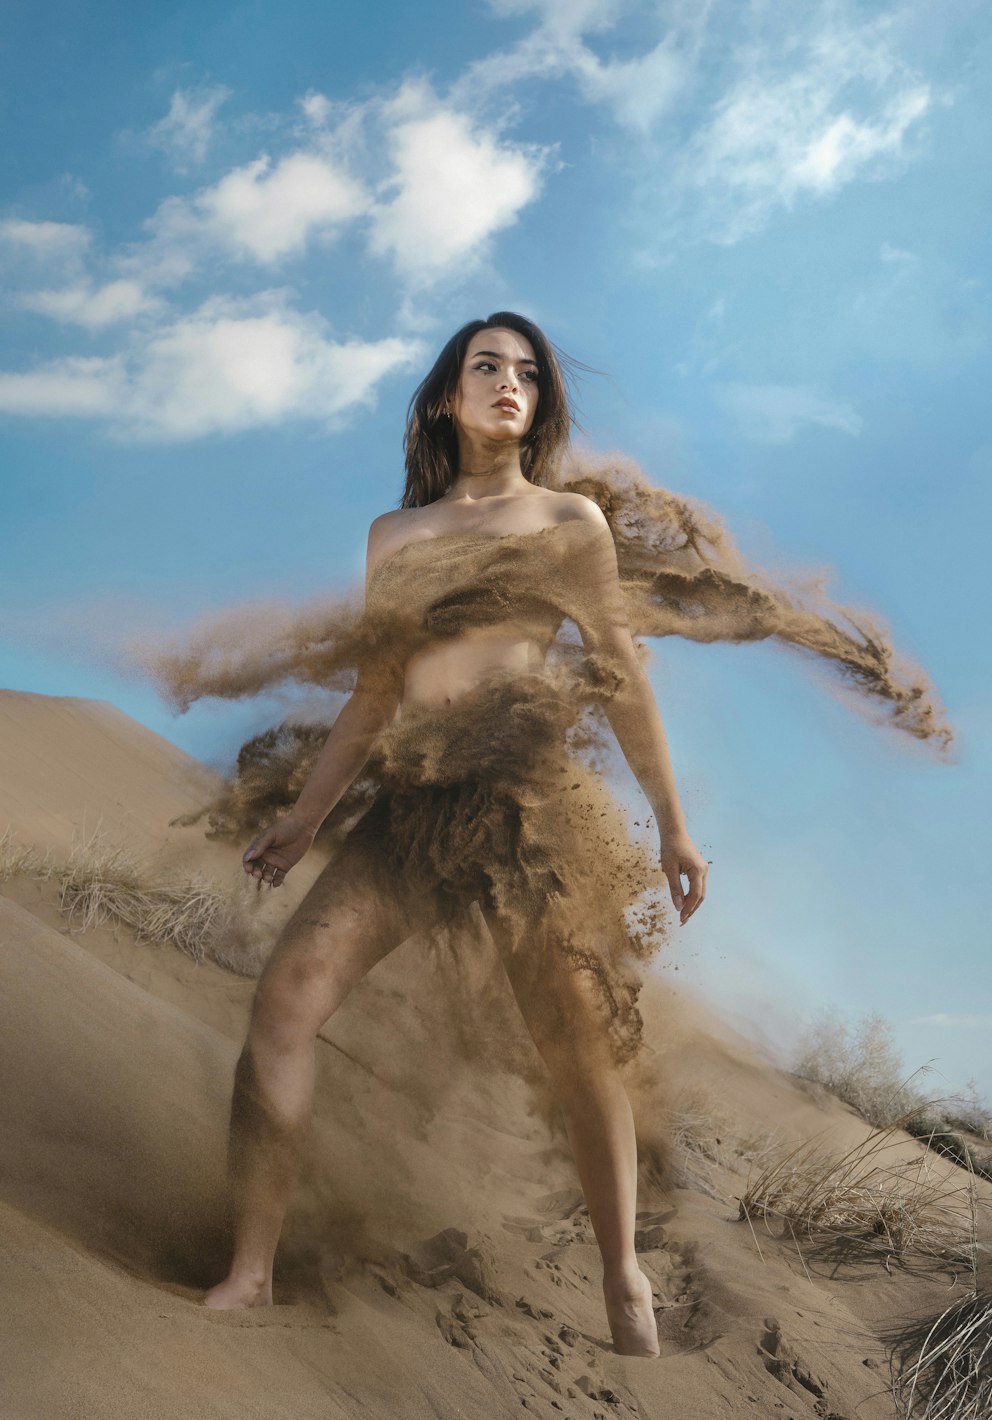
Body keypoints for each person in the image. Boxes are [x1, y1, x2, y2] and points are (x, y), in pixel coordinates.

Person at [202, 312, 709, 1357]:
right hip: (410, 809)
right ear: (446, 395)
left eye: (526, 373)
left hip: (527, 805)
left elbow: (619, 676)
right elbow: (376, 691)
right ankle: (249, 1270)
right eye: (487, 367)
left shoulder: (569, 522)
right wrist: (304, 818)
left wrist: (671, 827)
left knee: (575, 1041)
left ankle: (622, 1278)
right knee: (288, 996)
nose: (508, 383)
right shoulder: (398, 537)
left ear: (540, 404)